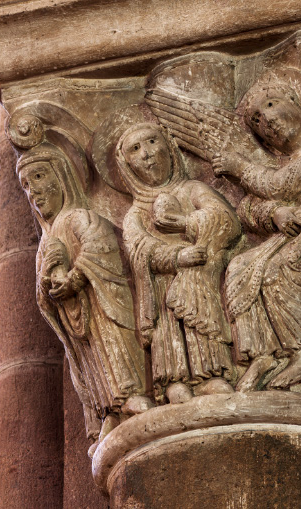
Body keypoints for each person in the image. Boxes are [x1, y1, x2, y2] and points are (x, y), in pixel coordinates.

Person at [211, 70, 301, 390]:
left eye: (271, 105)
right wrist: (277, 212)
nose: (268, 120)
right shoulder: (280, 161)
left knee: (277, 272)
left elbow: (282, 184)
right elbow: (247, 209)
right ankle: (261, 354)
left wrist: (240, 168)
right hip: (290, 234)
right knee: (239, 266)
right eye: (258, 121)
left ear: (295, 101)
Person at [17, 144, 149, 445]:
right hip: (79, 318)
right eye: (26, 185)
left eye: (39, 176)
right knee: (92, 359)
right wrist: (49, 286)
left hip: (102, 303)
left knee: (113, 343)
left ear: (62, 176)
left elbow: (101, 246)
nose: (33, 190)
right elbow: (43, 294)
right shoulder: (45, 241)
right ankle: (109, 410)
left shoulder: (78, 217)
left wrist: (75, 277)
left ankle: (132, 394)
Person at [118, 123, 241, 402]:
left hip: (202, 273)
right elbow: (140, 249)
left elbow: (226, 221)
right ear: (127, 165)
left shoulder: (192, 189)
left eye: (151, 142)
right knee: (168, 326)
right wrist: (176, 257)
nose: (147, 153)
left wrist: (185, 223)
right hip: (163, 283)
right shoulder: (135, 213)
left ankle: (212, 375)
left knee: (200, 313)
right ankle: (173, 381)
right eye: (135, 149)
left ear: (171, 149)